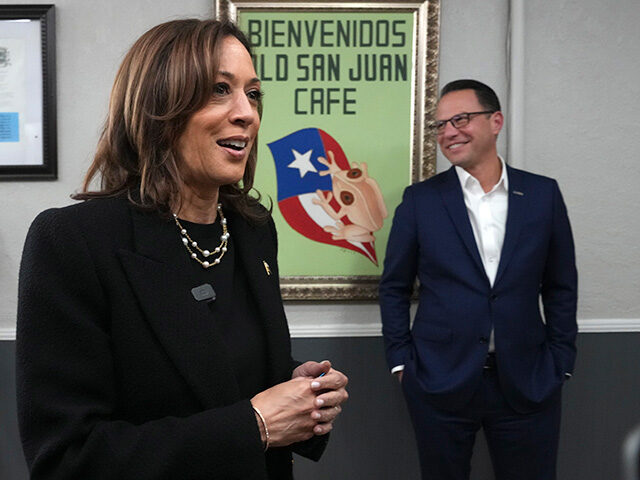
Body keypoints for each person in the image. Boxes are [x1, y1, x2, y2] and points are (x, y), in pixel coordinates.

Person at [16, 19, 348, 480]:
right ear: (158, 107)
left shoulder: (253, 229)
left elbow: (218, 374)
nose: (247, 113)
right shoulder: (73, 242)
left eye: (253, 94)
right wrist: (253, 425)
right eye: (219, 89)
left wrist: (298, 392)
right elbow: (68, 460)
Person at [379, 79, 577, 480]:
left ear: (496, 121)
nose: (449, 132)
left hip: (528, 380)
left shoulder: (542, 194)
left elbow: (560, 285)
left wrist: (561, 361)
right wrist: (401, 362)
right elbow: (394, 286)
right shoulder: (420, 201)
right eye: (441, 125)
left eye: (462, 119)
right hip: (439, 381)